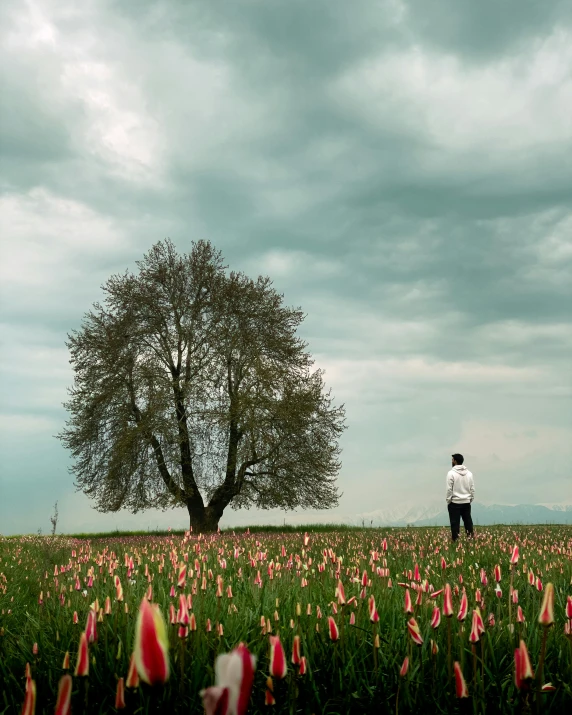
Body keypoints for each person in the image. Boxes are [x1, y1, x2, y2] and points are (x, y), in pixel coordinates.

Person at [446, 453, 475, 541]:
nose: (451, 461)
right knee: (468, 522)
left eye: (452, 460)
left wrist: (449, 500)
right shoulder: (469, 474)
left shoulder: (451, 473)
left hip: (455, 502)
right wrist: (470, 499)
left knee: (455, 523)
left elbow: (449, 489)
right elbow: (472, 488)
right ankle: (470, 538)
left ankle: (455, 540)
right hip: (466, 502)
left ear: (455, 461)